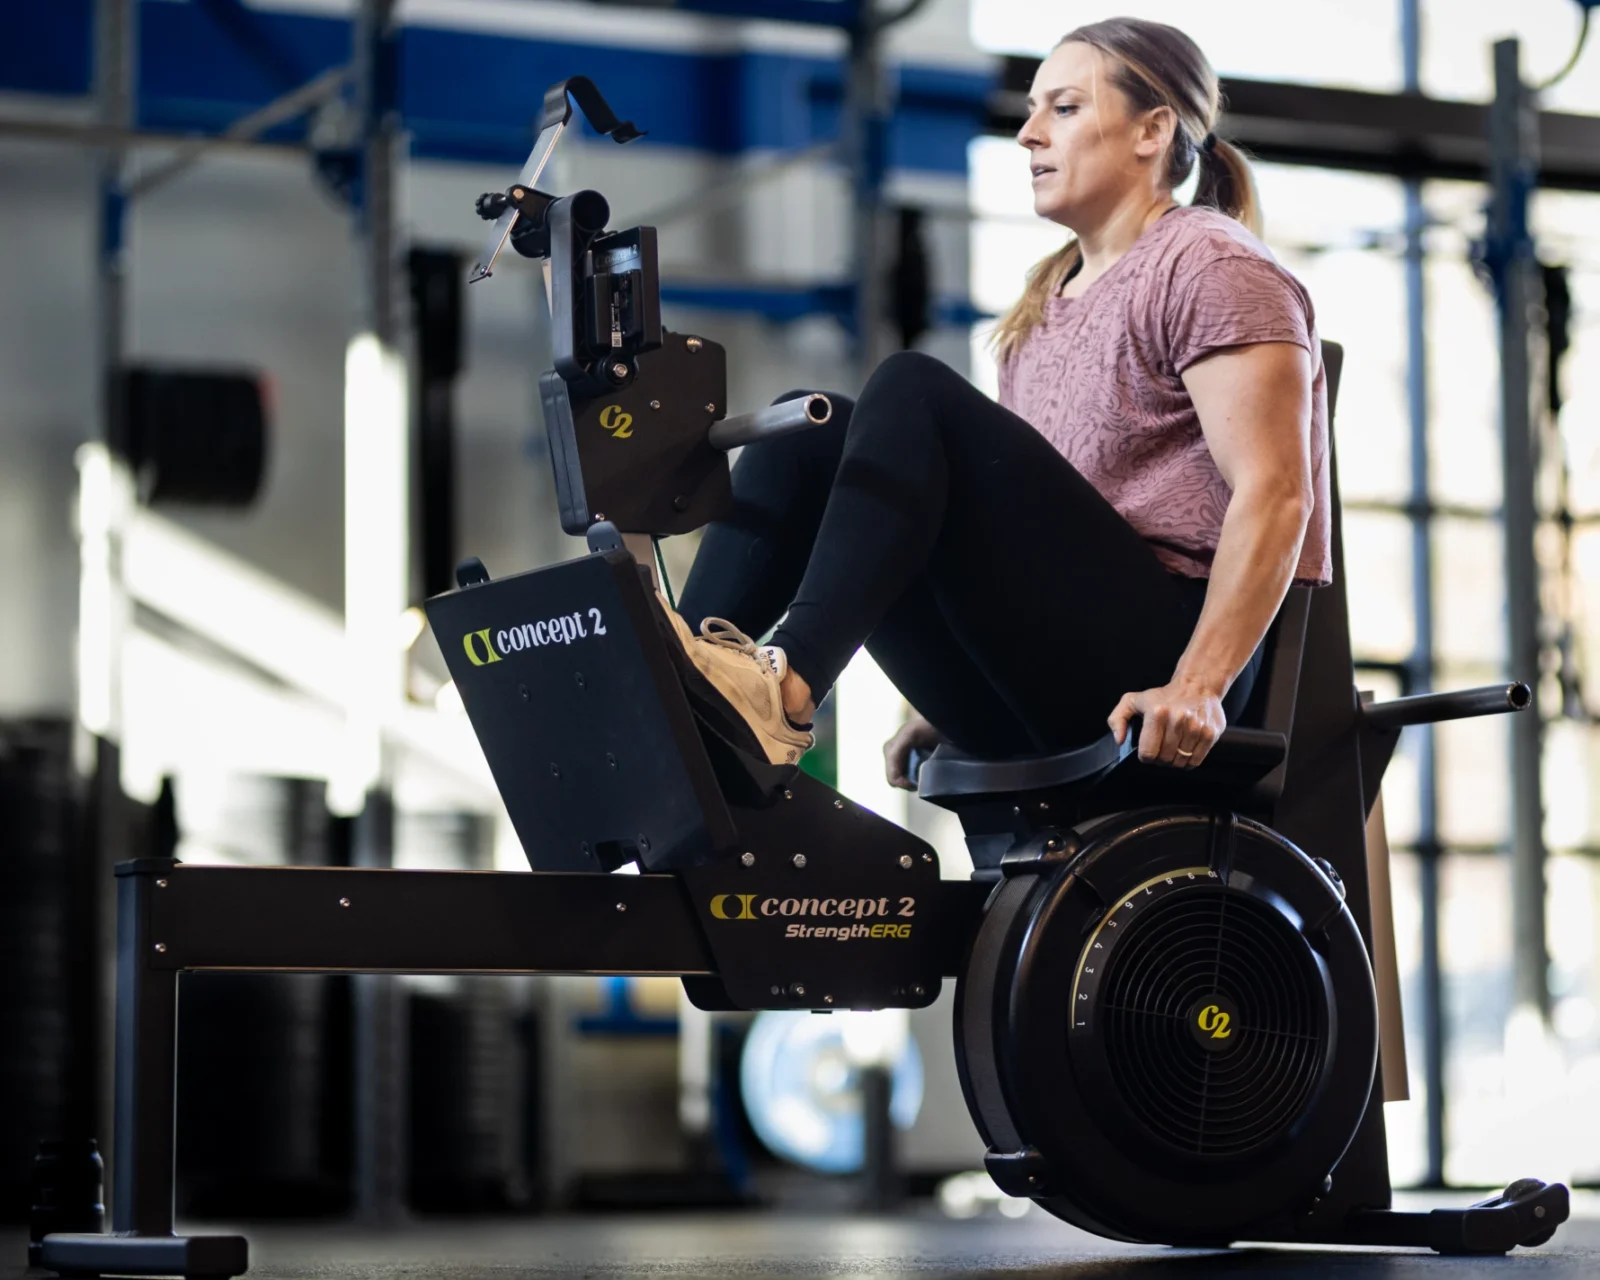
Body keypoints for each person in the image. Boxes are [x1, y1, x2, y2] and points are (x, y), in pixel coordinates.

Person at [658, 15, 1329, 788]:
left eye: (1065, 108)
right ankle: (676, 686)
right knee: (806, 427)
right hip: (1051, 668)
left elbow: (1277, 493)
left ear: (1152, 130)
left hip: (1160, 669)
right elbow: (1020, 538)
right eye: (1033, 108)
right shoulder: (1042, 305)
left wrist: (1198, 686)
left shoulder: (1210, 265)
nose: (1028, 134)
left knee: (912, 388)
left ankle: (785, 688)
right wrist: (942, 705)